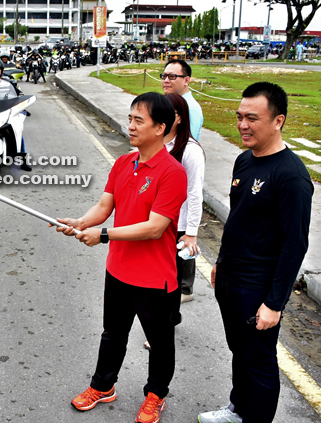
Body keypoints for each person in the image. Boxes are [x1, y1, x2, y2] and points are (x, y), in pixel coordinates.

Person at [56, 92, 187, 423]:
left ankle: (156, 395)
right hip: (118, 271)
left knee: (160, 343)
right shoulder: (123, 163)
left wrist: (102, 236)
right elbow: (104, 207)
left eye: (138, 120)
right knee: (112, 334)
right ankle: (103, 386)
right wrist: (80, 222)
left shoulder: (172, 173)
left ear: (160, 128)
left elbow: (155, 228)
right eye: (129, 118)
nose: (130, 125)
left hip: (155, 278)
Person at [198, 82, 313, 423]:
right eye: (239, 117)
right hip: (231, 277)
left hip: (257, 286)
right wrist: (220, 261)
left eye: (252, 118)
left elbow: (296, 245)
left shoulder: (291, 176)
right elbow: (238, 218)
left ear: (278, 121)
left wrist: (275, 303)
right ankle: (238, 409)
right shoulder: (244, 160)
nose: (242, 125)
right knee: (239, 351)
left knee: (259, 360)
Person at [164, 93, 205, 304]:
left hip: (178, 226)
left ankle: (162, 331)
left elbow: (195, 194)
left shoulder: (191, 151)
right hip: (158, 222)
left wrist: (191, 233)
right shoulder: (157, 145)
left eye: (170, 113)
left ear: (180, 118)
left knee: (171, 284)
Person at [0, 58, 32, 172]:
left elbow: (19, 94)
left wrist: (21, 100)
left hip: (6, 112)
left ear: (1, 70)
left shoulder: (9, 83)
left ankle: (23, 159)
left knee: (18, 131)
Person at [160, 59, 203, 141]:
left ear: (186, 80)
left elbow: (184, 144)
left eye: (172, 77)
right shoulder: (167, 103)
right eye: (164, 76)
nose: (166, 81)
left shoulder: (190, 109)